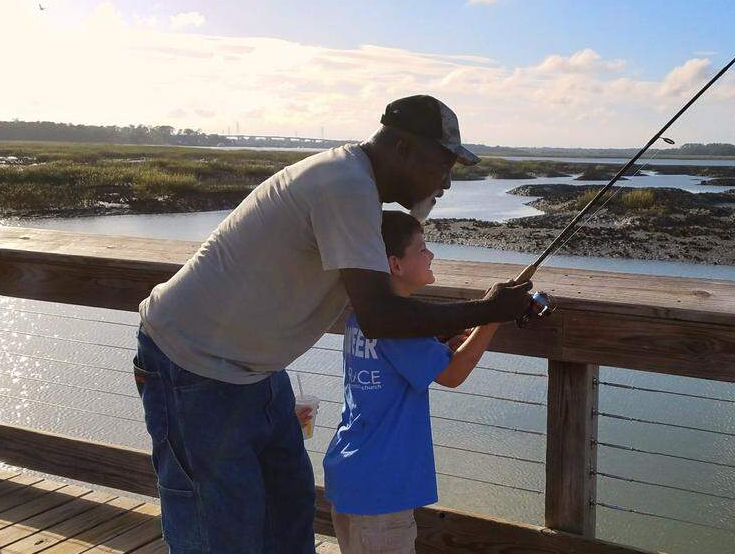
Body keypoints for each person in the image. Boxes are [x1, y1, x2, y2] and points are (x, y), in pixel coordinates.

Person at [132, 95, 533, 554]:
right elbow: (382, 315)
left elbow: (381, 279)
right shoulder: (344, 186)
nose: (446, 180)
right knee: (220, 533)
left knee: (288, 513)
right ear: (403, 150)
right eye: (442, 165)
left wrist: (439, 318)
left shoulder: (356, 186)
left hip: (255, 373)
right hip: (191, 369)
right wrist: (488, 309)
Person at [324, 211, 498, 554]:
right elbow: (453, 375)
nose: (430, 254)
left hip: (354, 474)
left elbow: (397, 364)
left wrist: (437, 347)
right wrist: (493, 316)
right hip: (382, 490)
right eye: (421, 248)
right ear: (395, 265)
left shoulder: (364, 314)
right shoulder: (398, 325)